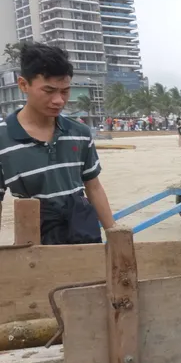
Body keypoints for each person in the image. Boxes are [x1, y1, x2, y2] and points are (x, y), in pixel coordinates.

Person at [0, 43, 114, 245]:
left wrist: (114, 235)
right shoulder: (3, 138)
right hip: (34, 240)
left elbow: (93, 187)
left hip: (83, 233)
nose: (59, 100)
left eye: (65, 92)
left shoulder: (80, 133)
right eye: (49, 90)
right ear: (23, 84)